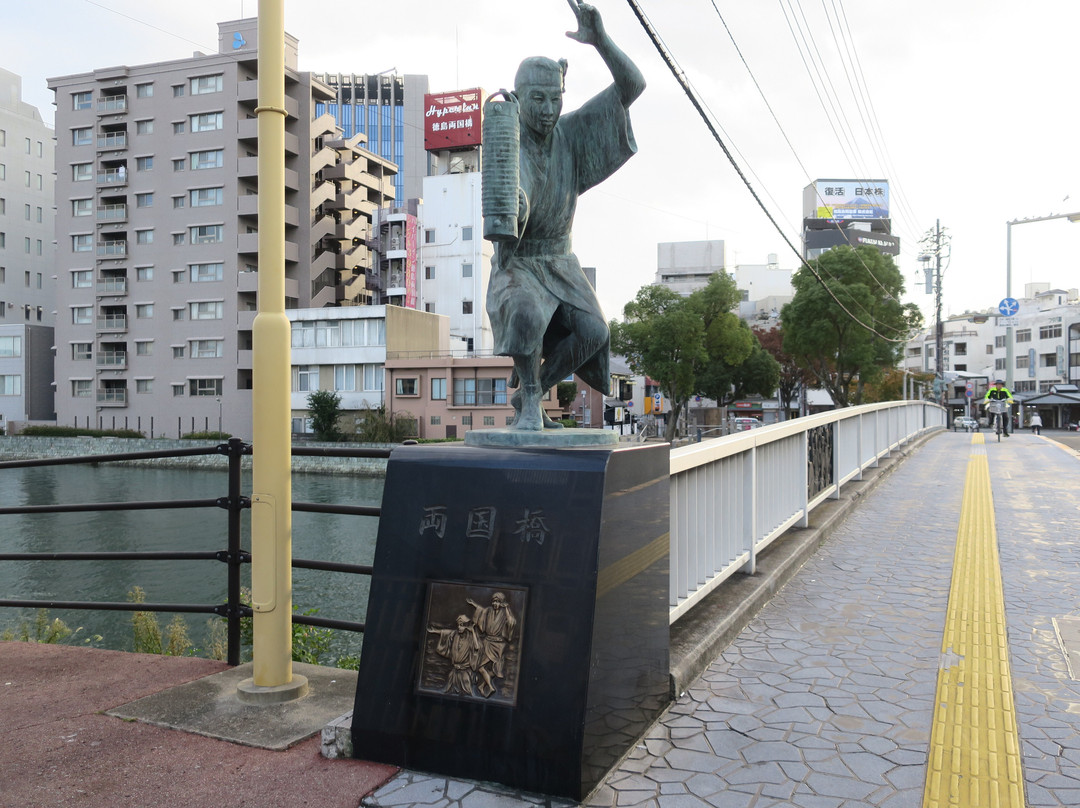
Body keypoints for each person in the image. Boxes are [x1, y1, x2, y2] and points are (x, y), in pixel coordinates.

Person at [486, 0, 646, 430]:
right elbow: (511, 193)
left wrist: (601, 40)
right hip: (519, 263)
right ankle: (531, 399)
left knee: (595, 332)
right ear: (518, 98)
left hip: (561, 260)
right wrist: (516, 205)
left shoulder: (572, 133)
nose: (547, 109)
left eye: (555, 99)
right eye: (537, 99)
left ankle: (532, 391)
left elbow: (632, 85)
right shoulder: (506, 142)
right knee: (526, 315)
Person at [467, 592, 518, 698]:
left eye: (498, 602)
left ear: (501, 603)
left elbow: (511, 622)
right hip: (487, 642)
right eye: (494, 601)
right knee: (481, 666)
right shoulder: (489, 610)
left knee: (493, 669)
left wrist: (507, 608)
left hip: (498, 645)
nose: (495, 604)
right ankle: (486, 686)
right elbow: (482, 611)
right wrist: (474, 604)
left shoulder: (505, 613)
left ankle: (486, 686)